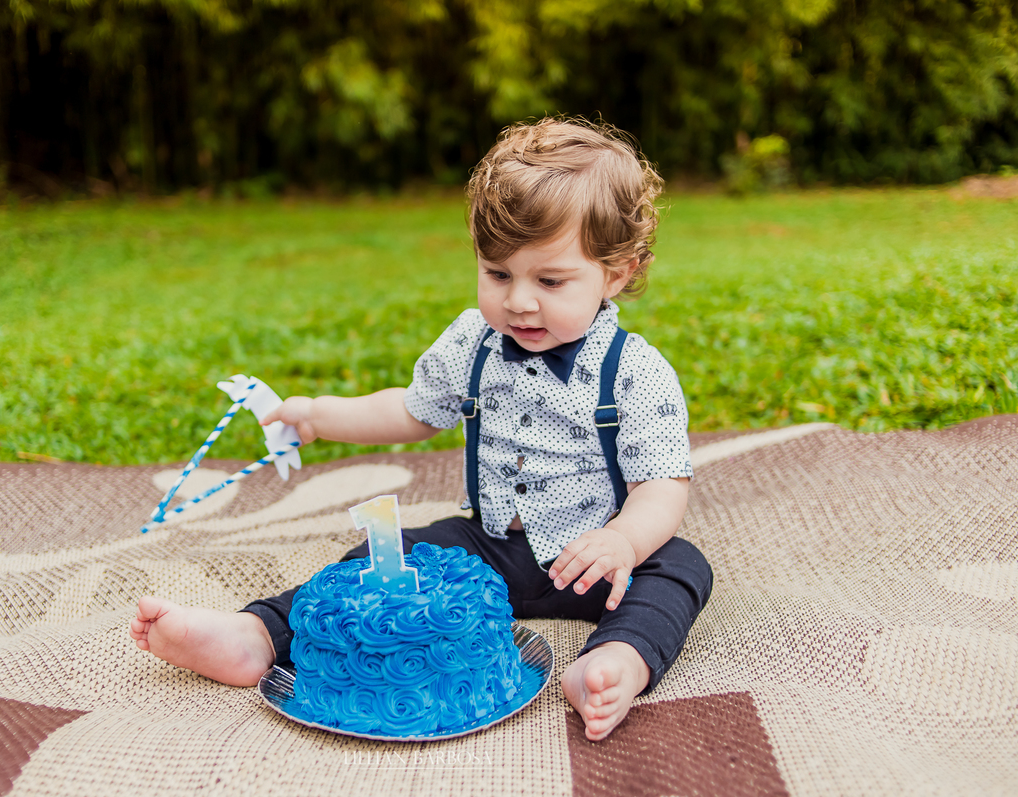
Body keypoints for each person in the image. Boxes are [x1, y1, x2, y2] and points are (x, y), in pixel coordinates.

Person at [131, 117, 712, 742]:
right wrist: (320, 415)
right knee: (386, 555)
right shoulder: (473, 343)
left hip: (594, 561)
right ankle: (260, 635)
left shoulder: (635, 372)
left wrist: (623, 540)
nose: (519, 301)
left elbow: (663, 485)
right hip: (489, 547)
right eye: (497, 274)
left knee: (680, 568)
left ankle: (616, 659)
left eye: (550, 281)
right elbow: (410, 412)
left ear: (616, 273)